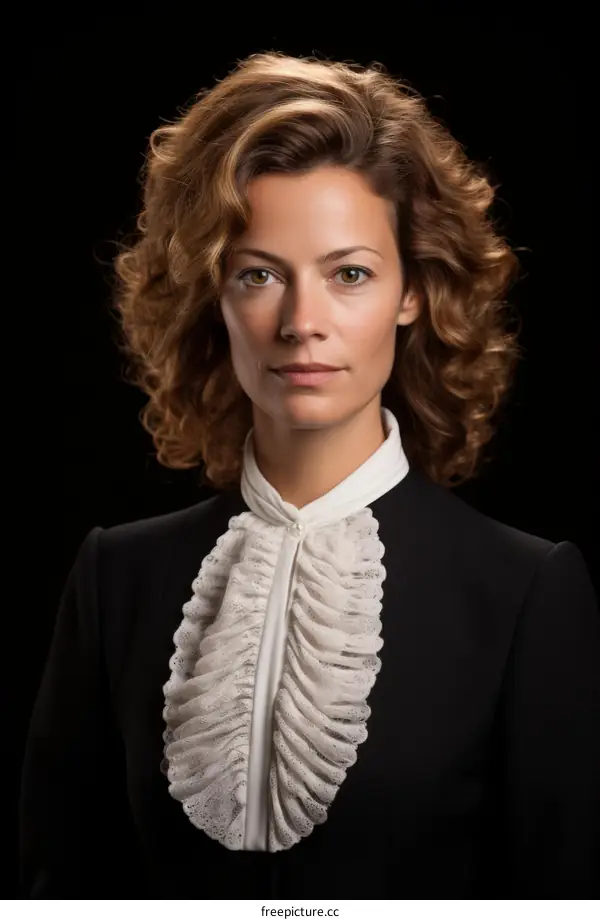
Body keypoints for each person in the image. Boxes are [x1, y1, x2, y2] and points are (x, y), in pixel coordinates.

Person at [19, 51, 600, 898]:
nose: (302, 323)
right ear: (211, 295)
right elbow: (54, 896)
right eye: (258, 275)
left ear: (412, 290)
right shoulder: (117, 579)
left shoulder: (523, 593)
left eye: (349, 274)